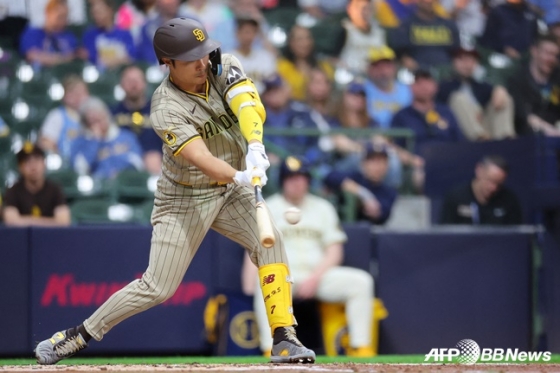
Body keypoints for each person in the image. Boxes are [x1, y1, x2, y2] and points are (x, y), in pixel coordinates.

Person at [34, 17, 315, 365]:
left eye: (203, 52)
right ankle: (80, 334)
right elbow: (199, 158)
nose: (202, 62)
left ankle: (284, 336)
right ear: (167, 63)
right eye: (190, 58)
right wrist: (241, 176)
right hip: (185, 197)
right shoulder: (164, 106)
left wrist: (255, 144)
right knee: (158, 286)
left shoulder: (222, 64)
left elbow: (247, 103)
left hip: (231, 191)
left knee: (270, 243)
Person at [241, 156, 375, 357]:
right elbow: (255, 248)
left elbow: (335, 251)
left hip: (318, 275)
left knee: (361, 282)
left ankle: (360, 347)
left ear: (308, 180)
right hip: (283, 277)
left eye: (301, 177)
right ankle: (271, 349)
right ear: (283, 181)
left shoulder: (323, 207)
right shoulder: (266, 207)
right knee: (264, 284)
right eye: (291, 178)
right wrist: (248, 285)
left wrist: (315, 278)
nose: (297, 182)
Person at [437, 46, 515, 141]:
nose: (466, 65)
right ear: (454, 62)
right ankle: (480, 138)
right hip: (461, 131)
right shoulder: (444, 87)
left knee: (504, 98)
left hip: (486, 126)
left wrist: (500, 90)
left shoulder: (480, 86)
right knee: (458, 98)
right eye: (462, 59)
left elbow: (496, 96)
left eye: (470, 60)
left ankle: (506, 139)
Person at [70, 97, 144, 180]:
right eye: (93, 121)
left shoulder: (126, 136)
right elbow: (80, 168)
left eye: (100, 118)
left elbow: (137, 163)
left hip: (125, 181)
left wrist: (119, 170)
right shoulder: (81, 141)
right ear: (86, 124)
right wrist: (95, 141)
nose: (99, 124)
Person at [324, 144, 397, 224]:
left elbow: (380, 213)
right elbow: (330, 177)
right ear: (363, 163)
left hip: (368, 232)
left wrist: (366, 202)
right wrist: (363, 193)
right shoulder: (355, 178)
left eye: (381, 161)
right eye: (373, 161)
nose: (377, 166)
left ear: (387, 165)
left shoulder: (389, 191)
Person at [2, 142, 71, 227]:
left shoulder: (55, 189)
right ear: (20, 167)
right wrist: (52, 222)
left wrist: (24, 221)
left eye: (37, 160)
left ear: (44, 163)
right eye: (27, 162)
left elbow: (63, 221)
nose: (33, 167)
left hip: (51, 238)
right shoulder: (13, 191)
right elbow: (11, 221)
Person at [440, 155, 523, 225]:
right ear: (479, 170)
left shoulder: (509, 200)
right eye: (489, 180)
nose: (493, 188)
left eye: (498, 184)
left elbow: (516, 237)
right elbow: (444, 235)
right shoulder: (455, 197)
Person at [506, 34, 560, 136]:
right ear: (534, 51)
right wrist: (547, 129)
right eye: (547, 53)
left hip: (555, 134)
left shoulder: (557, 78)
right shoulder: (518, 77)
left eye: (555, 55)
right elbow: (521, 114)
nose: (551, 59)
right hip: (525, 135)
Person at [112, 65, 161, 175]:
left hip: (156, 166)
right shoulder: (112, 114)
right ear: (121, 85)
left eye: (137, 80)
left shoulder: (159, 112)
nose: (133, 85)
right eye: (129, 81)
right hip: (122, 165)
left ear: (145, 84)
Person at [388, 0, 460, 71]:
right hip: (418, 74)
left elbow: (456, 52)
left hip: (446, 73)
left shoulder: (449, 25)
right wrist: (412, 66)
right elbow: (401, 54)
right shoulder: (406, 25)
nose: (428, 2)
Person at [39, 74, 90, 165]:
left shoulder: (93, 116)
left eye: (81, 92)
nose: (78, 97)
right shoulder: (57, 115)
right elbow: (45, 143)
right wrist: (62, 159)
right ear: (65, 95)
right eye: (73, 92)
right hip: (65, 166)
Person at [277, 24, 334, 102]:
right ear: (291, 43)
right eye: (300, 39)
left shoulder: (325, 67)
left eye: (308, 38)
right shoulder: (282, 67)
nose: (305, 43)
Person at [363, 46, 412, 130]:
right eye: (378, 67)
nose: (383, 72)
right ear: (369, 69)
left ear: (394, 68)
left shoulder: (407, 91)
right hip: (372, 137)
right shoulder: (361, 90)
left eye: (387, 66)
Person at [19, 0, 78, 67]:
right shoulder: (33, 33)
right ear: (48, 12)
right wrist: (62, 59)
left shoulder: (69, 36)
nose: (63, 21)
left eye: (66, 17)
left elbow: (74, 57)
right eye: (60, 16)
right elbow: (32, 56)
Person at [336, 0, 387, 77]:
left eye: (368, 9)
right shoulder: (342, 29)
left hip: (374, 76)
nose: (364, 12)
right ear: (350, 9)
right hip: (349, 74)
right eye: (360, 8)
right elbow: (330, 56)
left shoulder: (379, 31)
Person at [81, 0, 136, 70]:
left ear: (110, 10)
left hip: (122, 72)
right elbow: (94, 59)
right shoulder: (90, 35)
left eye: (99, 12)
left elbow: (131, 58)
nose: (96, 16)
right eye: (94, 13)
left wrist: (111, 62)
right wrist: (118, 61)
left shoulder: (124, 33)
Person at [229, 17, 277, 95]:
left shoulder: (265, 57)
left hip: (263, 101)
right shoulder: (228, 58)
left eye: (253, 32)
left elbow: (273, 84)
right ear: (237, 33)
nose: (249, 37)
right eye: (246, 32)